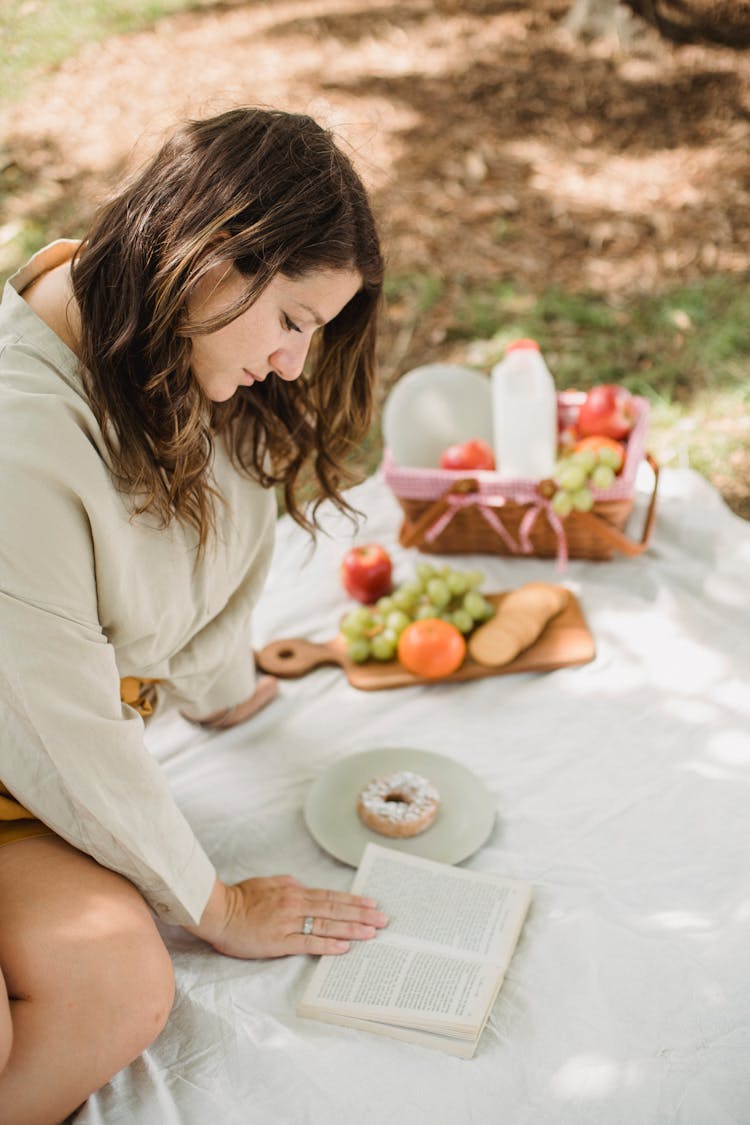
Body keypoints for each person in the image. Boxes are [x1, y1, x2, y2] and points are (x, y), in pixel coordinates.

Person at [0, 106, 388, 1124]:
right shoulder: (18, 435)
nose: (299, 362)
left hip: (22, 791)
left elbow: (211, 550)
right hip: (30, 744)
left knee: (117, 990)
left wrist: (226, 689)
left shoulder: (170, 350)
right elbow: (55, 721)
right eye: (295, 320)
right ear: (213, 255)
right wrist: (213, 905)